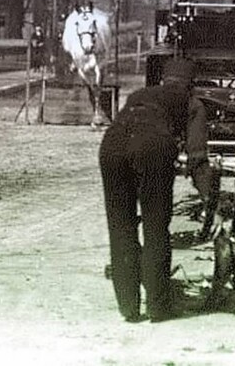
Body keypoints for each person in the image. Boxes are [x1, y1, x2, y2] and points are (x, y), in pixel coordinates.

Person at [98, 58, 218, 323]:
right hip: (152, 145)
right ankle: (158, 307)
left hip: (112, 145)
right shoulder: (192, 103)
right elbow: (197, 157)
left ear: (163, 80)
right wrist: (211, 201)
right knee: (155, 228)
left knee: (121, 229)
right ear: (192, 84)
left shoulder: (138, 95)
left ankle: (129, 308)